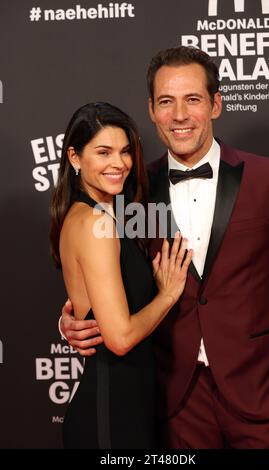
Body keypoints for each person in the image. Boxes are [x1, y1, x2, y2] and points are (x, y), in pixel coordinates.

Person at [60, 47, 269, 449]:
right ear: (151, 110)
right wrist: (74, 318)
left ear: (216, 104)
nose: (180, 115)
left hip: (261, 391)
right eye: (167, 102)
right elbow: (115, 274)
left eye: (193, 100)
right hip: (175, 402)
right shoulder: (132, 193)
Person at [51, 101, 192, 449]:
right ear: (74, 157)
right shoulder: (94, 222)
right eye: (103, 152)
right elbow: (120, 337)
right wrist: (168, 295)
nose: (119, 163)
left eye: (125, 151)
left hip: (128, 405)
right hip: (109, 416)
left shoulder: (112, 214)